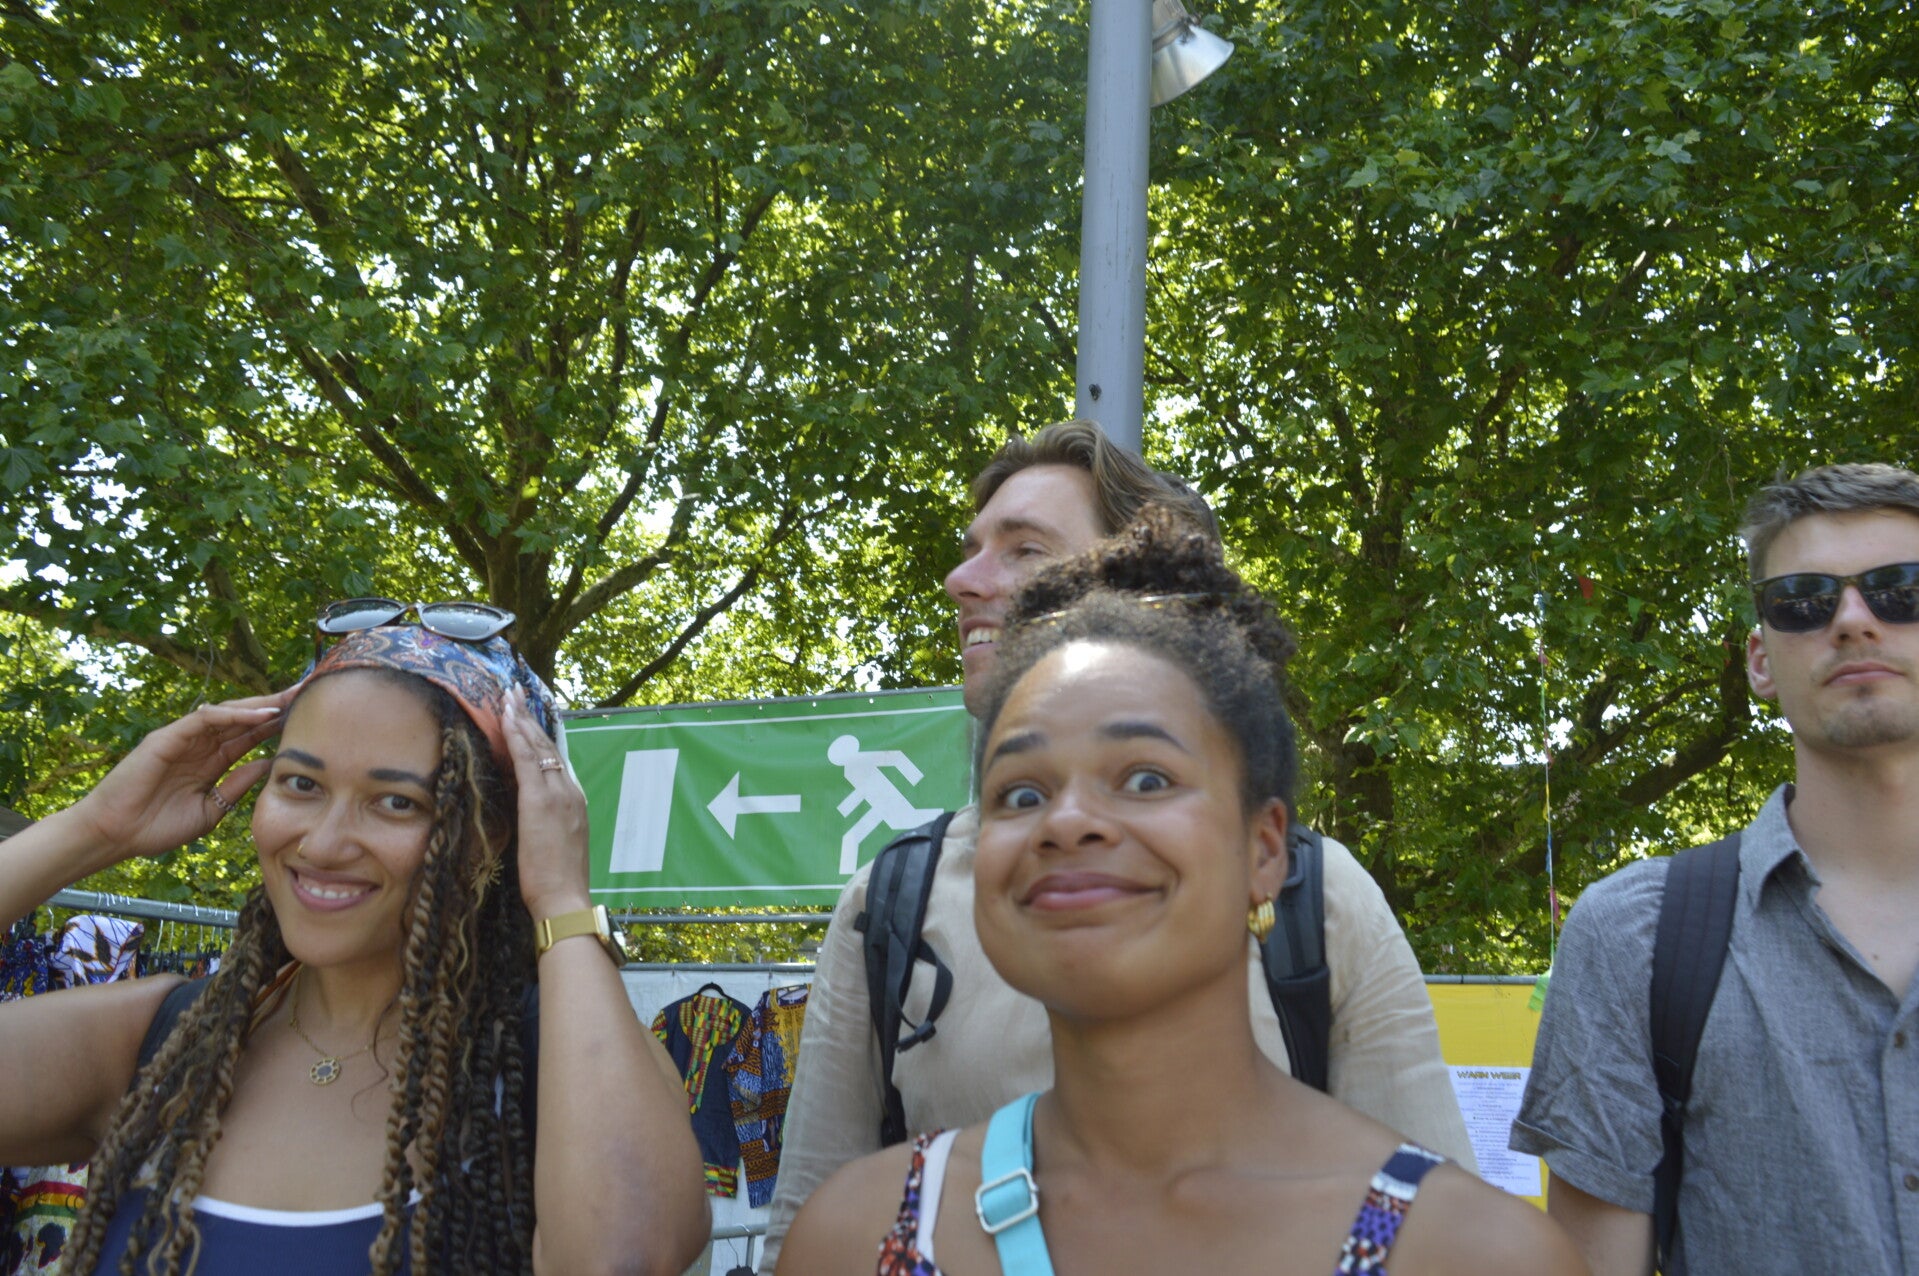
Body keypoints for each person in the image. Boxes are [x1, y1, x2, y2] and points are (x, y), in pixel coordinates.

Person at [778, 509, 1582, 1276]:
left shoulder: (1470, 1255)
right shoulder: (857, 1238)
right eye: (1020, 794)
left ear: (1264, 850)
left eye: (1145, 779)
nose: (1067, 822)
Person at [0, 608, 710, 1274]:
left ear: (490, 836)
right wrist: (93, 829)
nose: (324, 842)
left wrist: (561, 900)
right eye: (301, 784)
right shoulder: (162, 1040)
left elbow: (622, 1257)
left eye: (397, 802)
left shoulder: (550, 1067)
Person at [1510, 462, 1919, 1276]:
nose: (1851, 621)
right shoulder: (1635, 938)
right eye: (1801, 600)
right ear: (1759, 661)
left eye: (1899, 590)